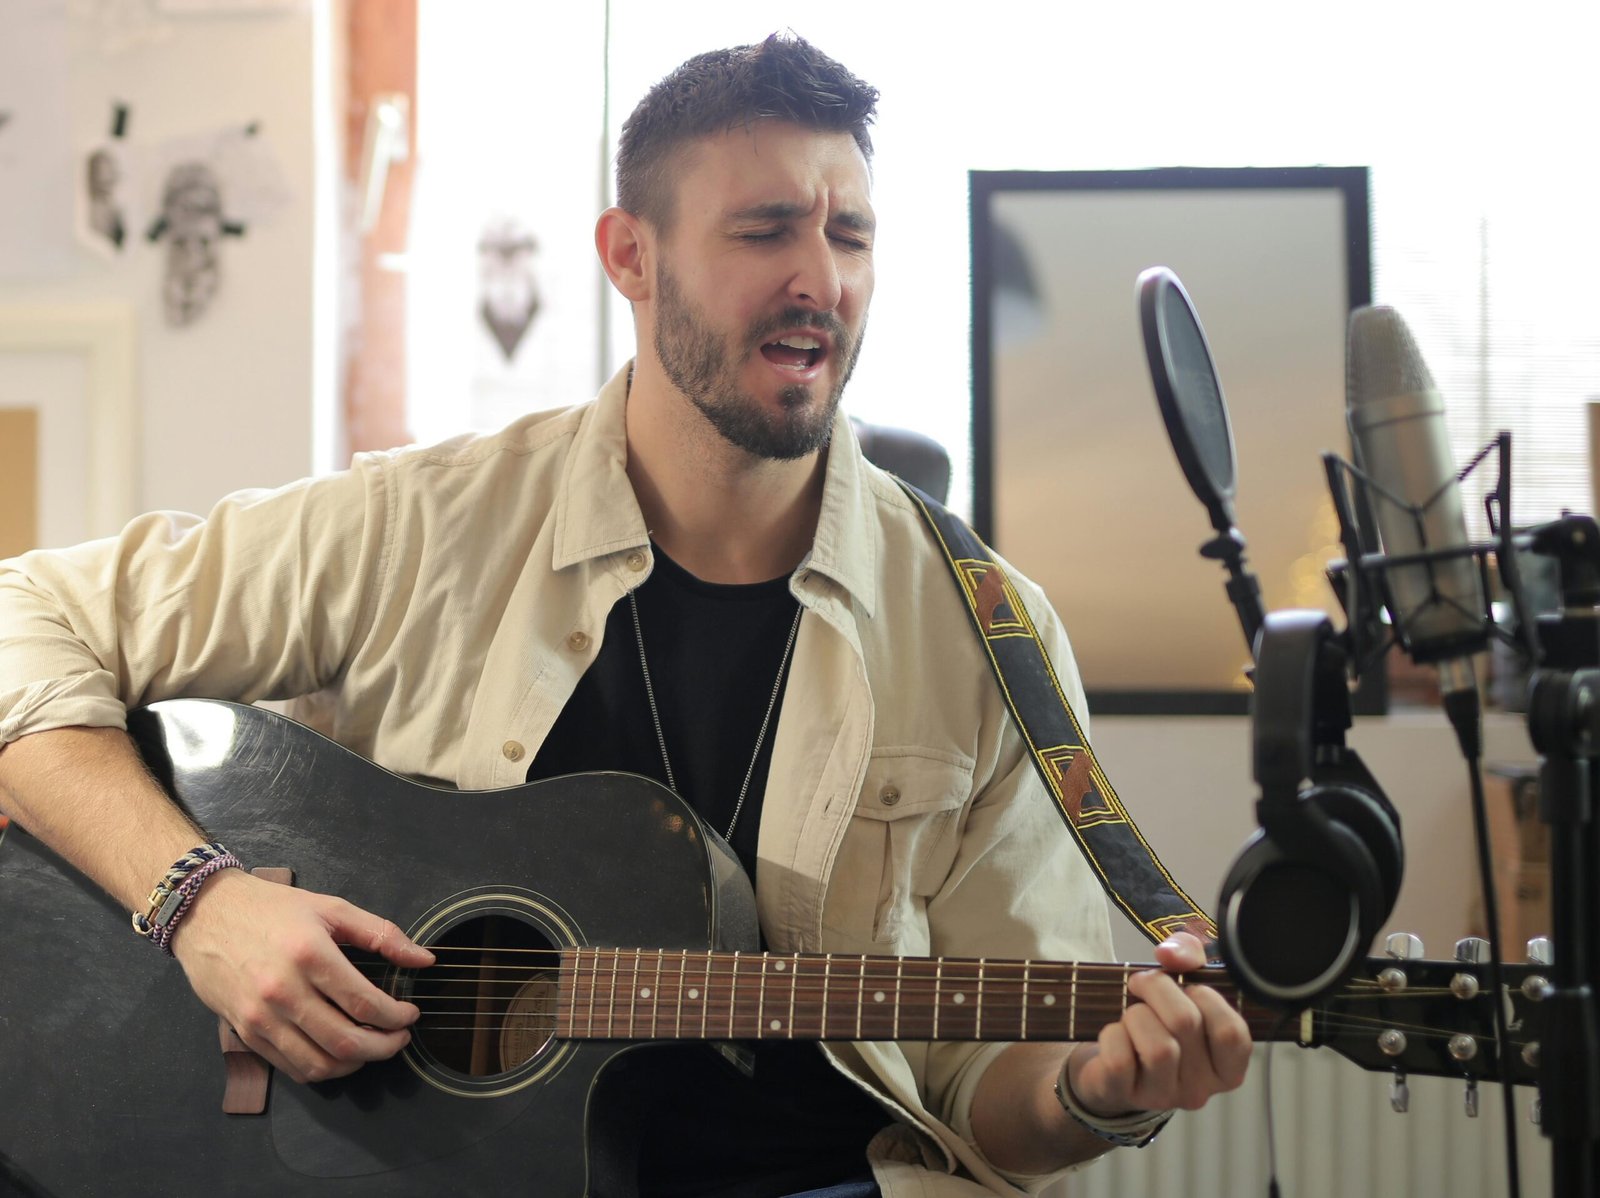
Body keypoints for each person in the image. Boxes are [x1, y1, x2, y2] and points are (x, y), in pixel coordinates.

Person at [0, 33, 1250, 1198]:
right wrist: (202, 902)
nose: (820, 278)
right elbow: (25, 618)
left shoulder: (988, 635)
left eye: (851, 234)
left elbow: (993, 1099)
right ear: (630, 256)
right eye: (765, 230)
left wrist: (1097, 1090)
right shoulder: (418, 524)